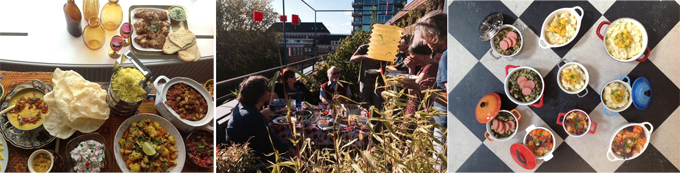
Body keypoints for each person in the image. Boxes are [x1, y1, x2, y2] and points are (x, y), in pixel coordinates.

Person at [225, 76, 294, 163]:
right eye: (267, 89)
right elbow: (273, 144)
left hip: (238, 154)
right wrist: (293, 151)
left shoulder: (241, 107)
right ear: (259, 94)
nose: (269, 92)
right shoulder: (253, 117)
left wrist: (261, 114)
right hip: (254, 160)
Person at [412, 10, 447, 172]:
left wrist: (419, 88)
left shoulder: (446, 57)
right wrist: (433, 86)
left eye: (425, 37)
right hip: (445, 124)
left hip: (445, 126)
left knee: (440, 167)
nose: (425, 43)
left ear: (435, 34)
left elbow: (450, 100)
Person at [400, 43, 437, 116]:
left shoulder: (430, 68)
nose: (410, 57)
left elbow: (412, 91)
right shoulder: (424, 67)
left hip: (419, 110)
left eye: (412, 54)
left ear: (422, 55)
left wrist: (411, 69)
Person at [350, 43, 384, 110]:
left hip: (378, 81)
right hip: (365, 80)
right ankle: (364, 119)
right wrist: (365, 56)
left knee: (377, 105)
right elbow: (352, 59)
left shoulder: (382, 48)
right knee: (364, 104)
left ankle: (376, 120)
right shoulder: (364, 48)